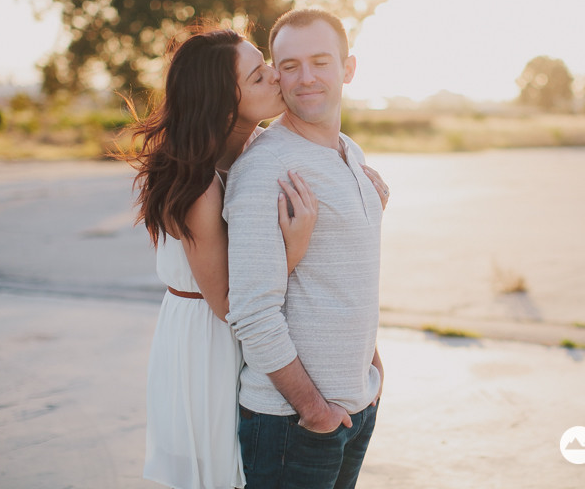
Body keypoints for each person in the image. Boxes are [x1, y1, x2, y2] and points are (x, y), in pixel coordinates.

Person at [121, 27, 388, 489]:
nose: (277, 79)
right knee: (217, 472)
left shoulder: (255, 149)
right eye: (260, 75)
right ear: (225, 98)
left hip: (243, 331)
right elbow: (232, 302)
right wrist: (294, 248)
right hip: (207, 337)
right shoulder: (199, 185)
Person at [224, 9, 387, 488]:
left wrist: (372, 372)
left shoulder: (351, 154)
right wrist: (313, 409)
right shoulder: (264, 169)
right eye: (289, 65)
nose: (306, 77)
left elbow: (342, 272)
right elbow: (252, 312)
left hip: (356, 405)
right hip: (290, 422)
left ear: (348, 68)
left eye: (320, 61)